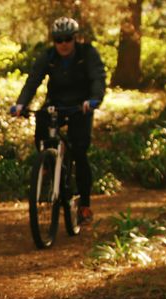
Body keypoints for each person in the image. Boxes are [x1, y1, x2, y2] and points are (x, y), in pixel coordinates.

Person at [9, 17, 106, 224]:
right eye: (58, 39)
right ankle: (47, 164)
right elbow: (33, 81)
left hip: (81, 106)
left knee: (79, 151)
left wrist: (94, 99)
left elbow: (98, 78)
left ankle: (85, 205)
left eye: (67, 39)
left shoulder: (87, 54)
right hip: (56, 103)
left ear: (75, 38)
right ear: (53, 40)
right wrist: (21, 104)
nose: (63, 44)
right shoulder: (48, 56)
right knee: (42, 123)